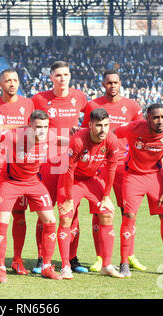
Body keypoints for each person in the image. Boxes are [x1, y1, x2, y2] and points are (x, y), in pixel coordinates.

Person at [81, 69, 146, 273]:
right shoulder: (93, 105)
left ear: (120, 83)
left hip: (125, 168)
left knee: (129, 212)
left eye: (116, 82)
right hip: (100, 167)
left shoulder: (132, 106)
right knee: (99, 211)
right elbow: (85, 132)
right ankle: (101, 257)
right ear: (103, 84)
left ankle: (129, 255)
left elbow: (141, 134)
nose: (112, 86)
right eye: (109, 82)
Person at [114, 103, 163, 278]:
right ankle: (124, 263)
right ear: (147, 118)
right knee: (129, 216)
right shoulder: (133, 128)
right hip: (133, 176)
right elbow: (113, 133)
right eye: (155, 117)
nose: (160, 121)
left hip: (156, 176)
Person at [0, 110, 64, 283]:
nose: (42, 131)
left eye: (45, 127)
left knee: (50, 220)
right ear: (29, 126)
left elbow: (66, 141)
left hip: (33, 182)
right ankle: (1, 268)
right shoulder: (14, 136)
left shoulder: (50, 136)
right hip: (10, 182)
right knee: (2, 222)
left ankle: (46, 267)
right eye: (38, 127)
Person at [31, 61, 88, 274]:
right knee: (44, 211)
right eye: (58, 75)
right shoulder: (39, 99)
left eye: (65, 74)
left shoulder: (79, 97)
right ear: (51, 77)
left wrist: (79, 132)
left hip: (70, 163)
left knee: (71, 213)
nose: (62, 78)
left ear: (70, 76)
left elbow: (90, 122)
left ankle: (72, 258)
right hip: (47, 161)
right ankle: (41, 257)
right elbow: (30, 124)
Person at [57, 108, 124, 279]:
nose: (103, 129)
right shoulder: (78, 140)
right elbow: (68, 170)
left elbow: (111, 169)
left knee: (107, 215)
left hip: (93, 179)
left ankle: (106, 265)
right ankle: (65, 266)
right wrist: (69, 199)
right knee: (66, 216)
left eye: (107, 125)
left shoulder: (111, 140)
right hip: (72, 180)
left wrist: (106, 196)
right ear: (90, 125)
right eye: (99, 125)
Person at [0, 68, 34, 275]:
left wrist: (6, 126)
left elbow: (33, 129)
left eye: (15, 80)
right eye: (7, 80)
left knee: (19, 215)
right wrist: (15, 127)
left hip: (19, 169)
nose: (12, 83)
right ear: (0, 85)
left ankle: (17, 260)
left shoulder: (28, 104)